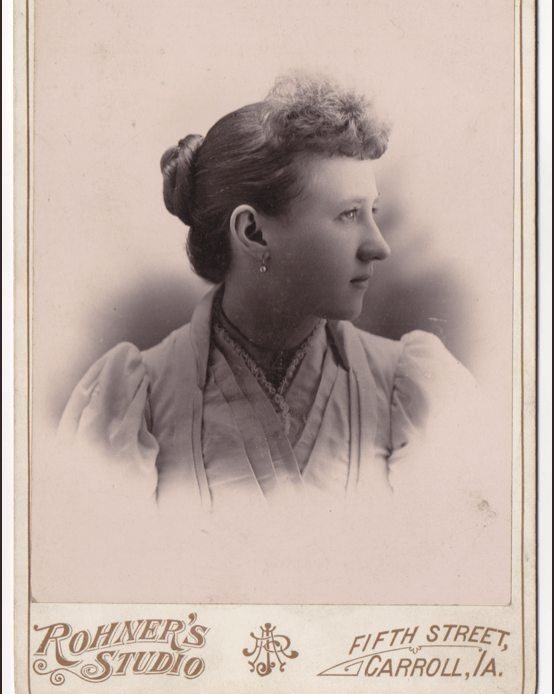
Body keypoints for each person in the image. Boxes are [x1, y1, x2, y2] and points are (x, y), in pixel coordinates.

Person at [41, 73, 508, 604]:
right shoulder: (132, 402)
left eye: (372, 213)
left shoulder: (415, 389)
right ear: (253, 233)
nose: (378, 246)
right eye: (348, 215)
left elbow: (462, 592)